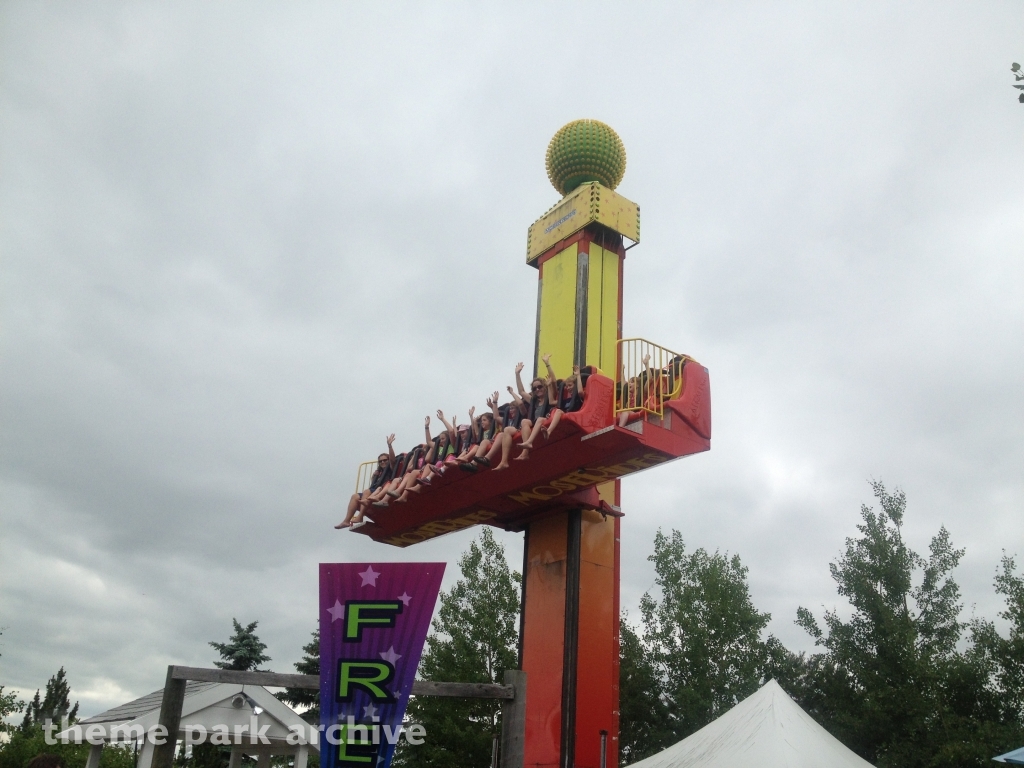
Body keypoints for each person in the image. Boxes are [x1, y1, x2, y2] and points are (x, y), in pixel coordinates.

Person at [336, 434, 395, 528]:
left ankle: (360, 516)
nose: (383, 462)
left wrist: (390, 446)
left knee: (366, 491)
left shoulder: (390, 468)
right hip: (373, 490)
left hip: (383, 490)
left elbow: (392, 460)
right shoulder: (378, 472)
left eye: (385, 460)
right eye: (380, 461)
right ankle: (346, 521)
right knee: (355, 496)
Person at [517, 353, 567, 456]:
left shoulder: (550, 394)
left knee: (540, 419)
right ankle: (526, 449)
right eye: (535, 388)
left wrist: (547, 363)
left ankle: (529, 442)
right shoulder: (534, 401)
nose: (537, 389)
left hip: (547, 419)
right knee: (525, 421)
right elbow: (521, 391)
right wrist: (517, 374)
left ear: (544, 386)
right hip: (536, 424)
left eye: (539, 387)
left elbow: (553, 380)